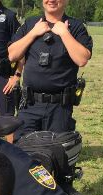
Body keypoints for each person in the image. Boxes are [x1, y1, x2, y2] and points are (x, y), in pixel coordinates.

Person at [7, 0, 92, 138]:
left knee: (56, 153)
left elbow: (82, 59)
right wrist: (33, 33)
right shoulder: (31, 24)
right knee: (23, 149)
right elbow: (12, 54)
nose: (51, 0)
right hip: (29, 105)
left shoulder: (76, 27)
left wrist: (64, 33)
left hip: (59, 107)